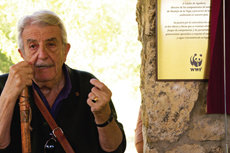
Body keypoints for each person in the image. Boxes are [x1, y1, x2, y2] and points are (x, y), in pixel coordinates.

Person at [0, 10, 126, 153]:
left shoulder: (87, 85)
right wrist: (7, 96)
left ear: (65, 51)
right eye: (33, 46)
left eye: (51, 44)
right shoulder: (4, 86)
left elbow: (114, 148)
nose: (42, 55)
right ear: (22, 54)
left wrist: (103, 114)